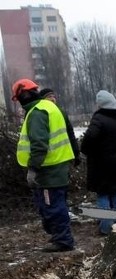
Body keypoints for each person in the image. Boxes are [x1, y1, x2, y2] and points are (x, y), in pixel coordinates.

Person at [13, 78, 76, 252]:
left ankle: (63, 240)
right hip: (57, 166)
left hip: (48, 170)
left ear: (22, 96)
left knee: (52, 207)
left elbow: (39, 144)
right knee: (56, 205)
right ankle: (61, 237)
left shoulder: (37, 113)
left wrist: (32, 169)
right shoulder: (48, 107)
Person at [80, 90, 116, 235]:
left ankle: (106, 228)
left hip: (102, 165)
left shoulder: (99, 119)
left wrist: (87, 151)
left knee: (103, 196)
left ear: (101, 104)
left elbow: (89, 139)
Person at [40, 88, 81, 166]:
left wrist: (76, 152)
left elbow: (70, 133)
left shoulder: (61, 112)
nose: (52, 99)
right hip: (48, 160)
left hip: (63, 157)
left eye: (53, 96)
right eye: (49, 97)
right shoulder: (40, 113)